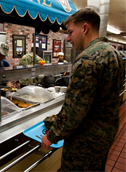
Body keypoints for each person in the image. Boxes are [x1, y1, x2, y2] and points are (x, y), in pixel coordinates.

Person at [41, 7, 125, 172]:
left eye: (71, 32)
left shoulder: (87, 59)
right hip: (104, 135)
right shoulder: (113, 53)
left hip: (85, 141)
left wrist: (52, 136)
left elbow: (75, 110)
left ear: (85, 28)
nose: (68, 38)